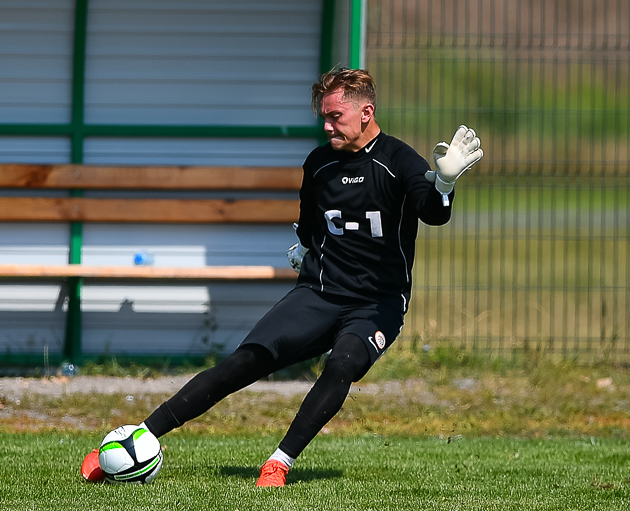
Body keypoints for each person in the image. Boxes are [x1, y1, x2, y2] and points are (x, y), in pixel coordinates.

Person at [81, 67, 483, 487]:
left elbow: (432, 213)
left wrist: (444, 183)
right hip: (319, 293)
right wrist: (305, 247)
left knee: (341, 364)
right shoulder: (319, 164)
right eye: (324, 117)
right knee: (245, 361)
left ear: (366, 112)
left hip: (377, 303)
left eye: (336, 117)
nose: (327, 126)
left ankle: (279, 462)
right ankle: (138, 438)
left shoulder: (398, 160)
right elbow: (309, 225)